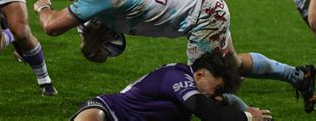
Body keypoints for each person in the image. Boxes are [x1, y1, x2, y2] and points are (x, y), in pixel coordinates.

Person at [34, 0, 316, 113]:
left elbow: (51, 27)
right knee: (231, 64)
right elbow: (103, 55)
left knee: (204, 88)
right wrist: (88, 48)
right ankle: (298, 76)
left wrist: (42, 7)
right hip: (205, 2)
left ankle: (249, 116)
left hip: (202, 16)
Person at [71, 52, 273, 121]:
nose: (215, 94)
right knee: (95, 117)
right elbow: (209, 113)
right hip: (110, 111)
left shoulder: (202, 88)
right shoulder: (177, 78)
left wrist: (244, 108)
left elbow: (225, 102)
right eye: (217, 88)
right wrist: (247, 117)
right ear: (200, 74)